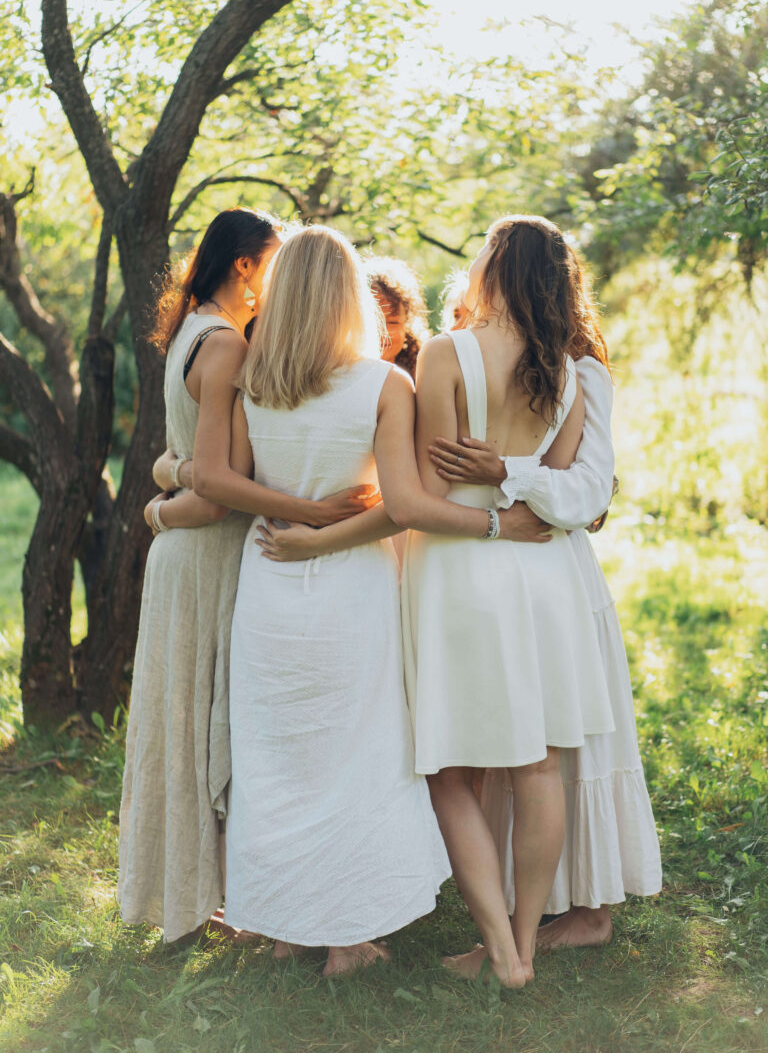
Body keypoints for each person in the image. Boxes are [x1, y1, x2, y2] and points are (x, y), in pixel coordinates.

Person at [191, 224, 549, 976]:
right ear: (352, 295)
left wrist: (298, 514)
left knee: (278, 758)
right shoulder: (386, 384)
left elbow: (234, 479)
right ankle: (347, 938)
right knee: (353, 756)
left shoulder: (257, 380)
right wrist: (338, 519)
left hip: (271, 578)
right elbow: (404, 502)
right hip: (352, 585)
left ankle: (290, 923)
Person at [118, 209, 370, 943]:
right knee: (202, 726)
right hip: (208, 557)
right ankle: (206, 900)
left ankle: (205, 896)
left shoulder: (192, 329)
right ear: (244, 267)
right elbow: (223, 484)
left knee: (189, 722)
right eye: (273, 264)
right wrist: (310, 509)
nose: (280, 283)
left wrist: (167, 489)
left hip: (192, 550)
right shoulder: (224, 343)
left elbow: (191, 464)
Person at [401, 214, 617, 987]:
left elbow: (426, 490)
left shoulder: (444, 355)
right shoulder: (567, 368)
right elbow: (566, 495)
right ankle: (524, 941)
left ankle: (499, 951)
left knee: (453, 771)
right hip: (544, 571)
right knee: (539, 765)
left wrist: (485, 496)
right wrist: (515, 486)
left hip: (463, 566)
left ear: (492, 268)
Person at [428, 352, 662, 948]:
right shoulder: (499, 355)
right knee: (528, 753)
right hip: (509, 566)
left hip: (560, 570)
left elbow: (591, 491)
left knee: (570, 749)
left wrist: (505, 469)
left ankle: (588, 910)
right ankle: (524, 907)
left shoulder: (580, 369)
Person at [366, 256, 430, 376]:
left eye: (393, 322)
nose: (383, 332)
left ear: (406, 327)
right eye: (373, 322)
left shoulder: (421, 378)